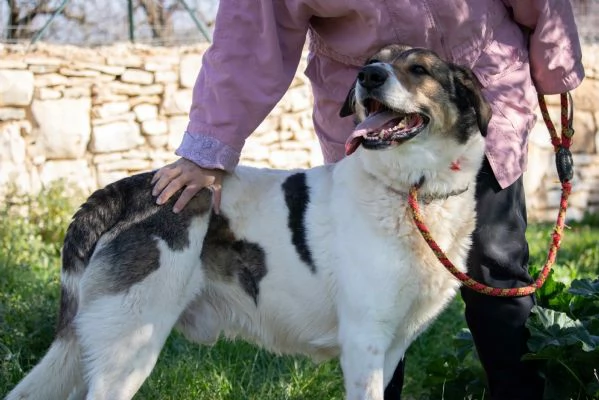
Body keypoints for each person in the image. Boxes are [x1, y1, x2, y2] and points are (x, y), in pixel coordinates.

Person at [151, 1, 585, 398]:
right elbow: (251, 35)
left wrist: (556, 69)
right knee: (372, 300)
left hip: (478, 102)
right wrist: (209, 147)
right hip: (366, 124)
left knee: (496, 272)